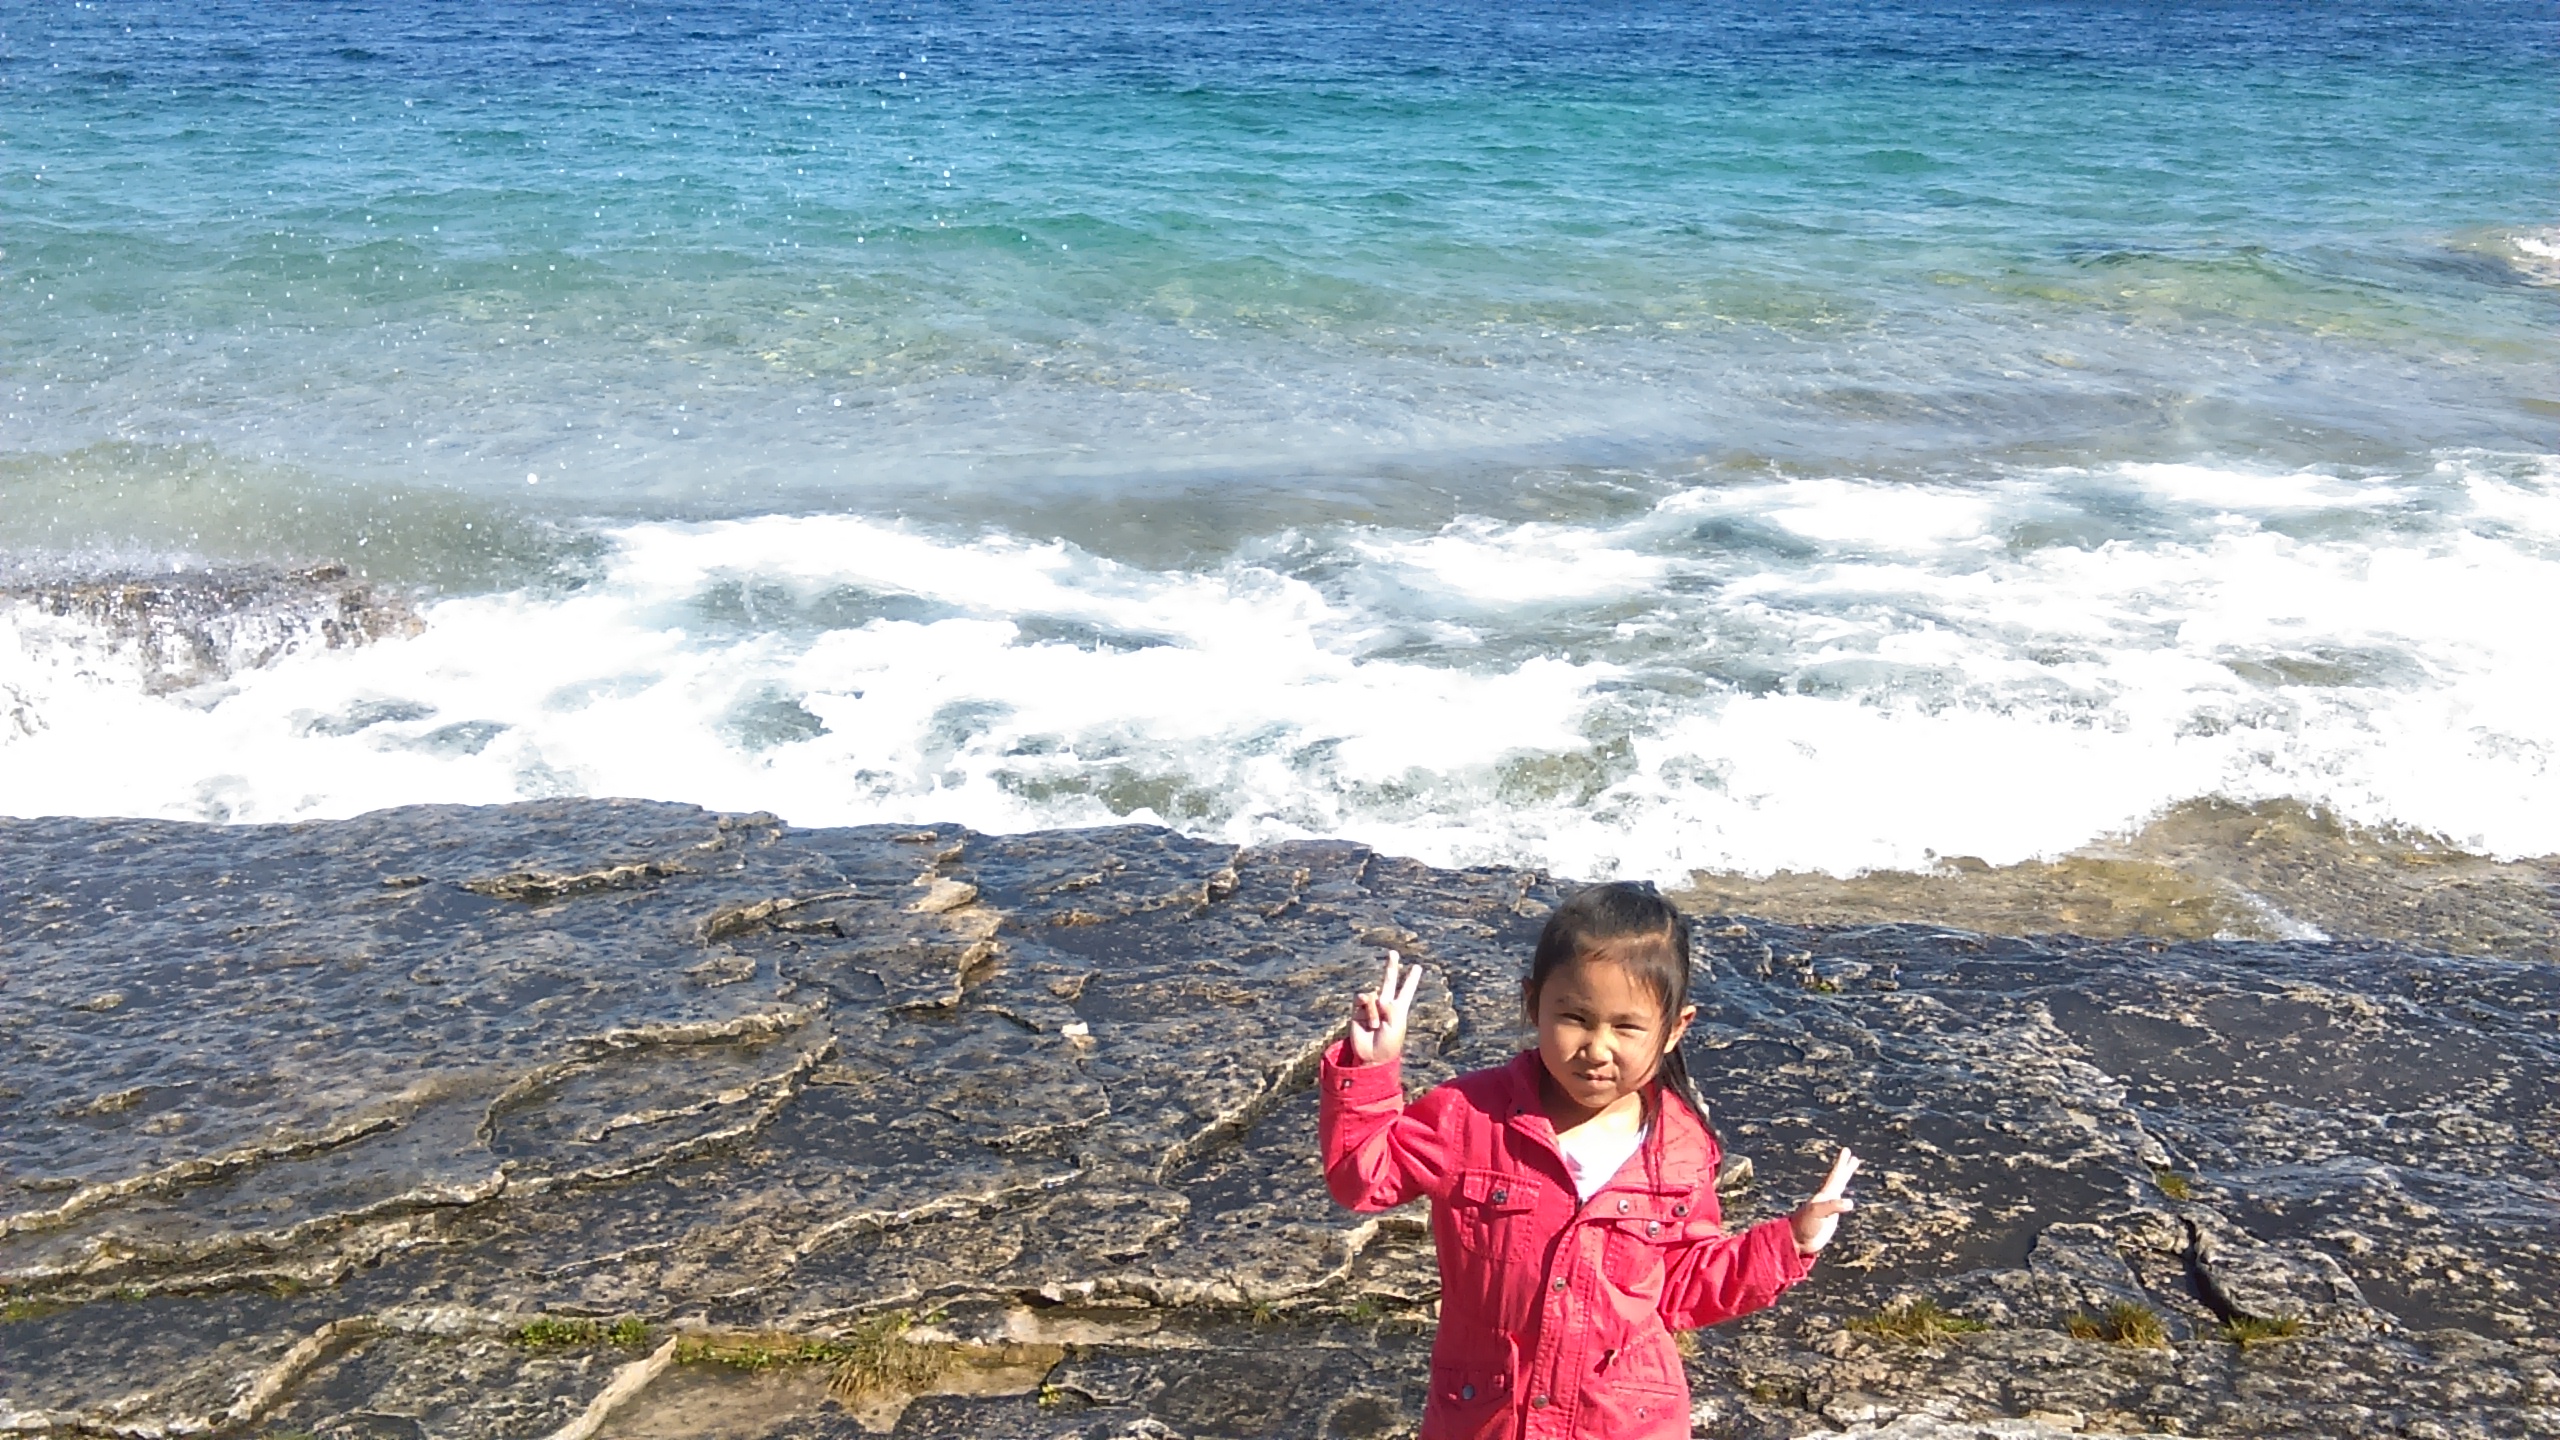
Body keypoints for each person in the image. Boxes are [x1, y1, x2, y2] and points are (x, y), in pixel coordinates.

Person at [1319, 881, 1859, 1440]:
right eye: (1575, 1017)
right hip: (1489, 1418)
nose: (1597, 1048)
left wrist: (1788, 1245)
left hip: (1623, 1422)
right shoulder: (1470, 1115)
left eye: (1626, 1026)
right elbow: (1362, 1178)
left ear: (1674, 1029)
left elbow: (1681, 1286)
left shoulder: (1680, 1148)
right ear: (1534, 1004)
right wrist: (1370, 1069)